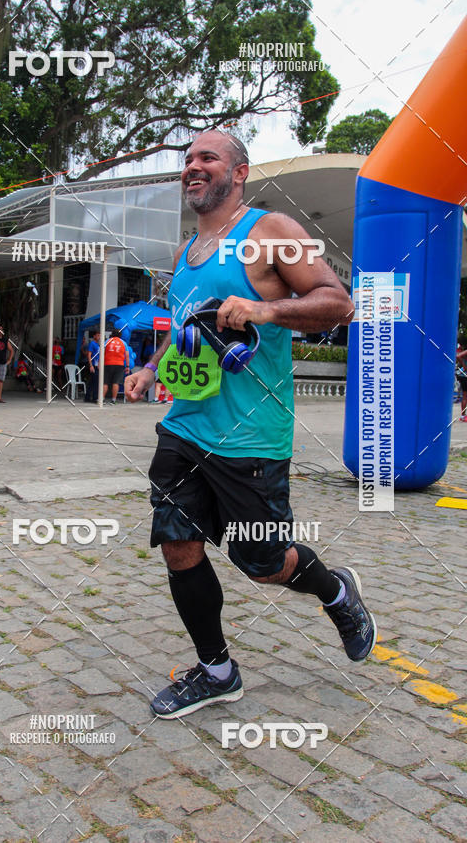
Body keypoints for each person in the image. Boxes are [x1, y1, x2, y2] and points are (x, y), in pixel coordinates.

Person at [125, 129, 376, 719]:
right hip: (185, 427)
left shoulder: (270, 231)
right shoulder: (189, 253)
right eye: (188, 159)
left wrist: (264, 308)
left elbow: (337, 302)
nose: (193, 166)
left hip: (252, 436)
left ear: (239, 173)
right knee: (177, 544)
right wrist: (150, 368)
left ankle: (336, 591)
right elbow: (190, 326)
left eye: (207, 157)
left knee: (262, 563)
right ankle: (217, 670)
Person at [103, 327, 130, 404]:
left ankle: (102, 399)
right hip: (119, 364)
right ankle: (113, 400)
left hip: (107, 364)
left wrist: (99, 363)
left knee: (105, 382)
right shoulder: (123, 343)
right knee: (116, 383)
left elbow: (102, 352)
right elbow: (127, 355)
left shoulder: (107, 341)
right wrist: (127, 366)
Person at [85, 328, 101, 403]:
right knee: (95, 382)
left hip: (97, 364)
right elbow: (89, 354)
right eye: (98, 335)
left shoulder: (97, 344)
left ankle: (87, 397)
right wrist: (91, 365)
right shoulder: (92, 344)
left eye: (99, 336)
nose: (99, 337)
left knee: (92, 381)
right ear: (94, 336)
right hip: (93, 364)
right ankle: (95, 397)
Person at [456, 343, 467, 421]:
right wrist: (464, 366)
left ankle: (463, 416)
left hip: (463, 375)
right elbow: (458, 356)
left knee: (465, 396)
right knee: (465, 396)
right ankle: (463, 416)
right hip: (465, 376)